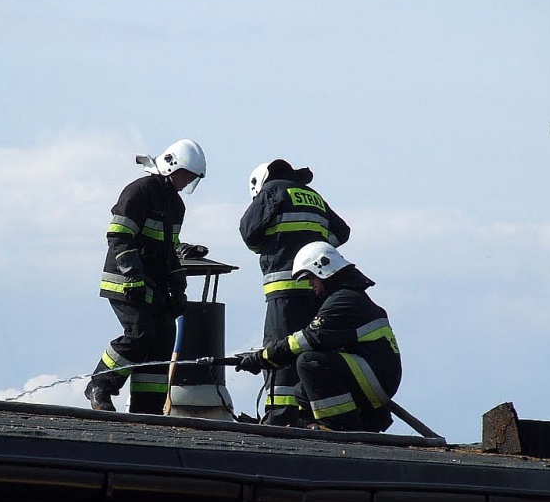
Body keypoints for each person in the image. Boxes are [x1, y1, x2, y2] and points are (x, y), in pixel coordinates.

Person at [85, 138, 206, 414]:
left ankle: (147, 411)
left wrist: (178, 288)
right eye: (185, 175)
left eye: (191, 178)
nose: (186, 182)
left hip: (153, 285)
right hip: (125, 281)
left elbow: (169, 252)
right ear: (171, 165)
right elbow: (118, 236)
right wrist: (132, 276)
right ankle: (100, 386)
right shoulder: (138, 192)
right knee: (140, 334)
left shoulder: (176, 206)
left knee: (163, 339)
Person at [235, 242, 402, 432]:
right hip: (373, 378)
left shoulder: (345, 300)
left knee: (310, 362)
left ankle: (336, 426)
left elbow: (309, 339)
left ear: (323, 270)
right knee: (302, 391)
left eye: (311, 278)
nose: (310, 284)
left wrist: (265, 357)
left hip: (375, 379)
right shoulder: (349, 297)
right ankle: (325, 424)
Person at [239, 159, 350, 426]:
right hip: (318, 289)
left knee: (279, 350)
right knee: (306, 348)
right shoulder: (313, 196)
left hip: (284, 288)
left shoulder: (272, 191)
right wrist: (316, 245)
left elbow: (248, 231)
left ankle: (278, 417)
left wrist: (273, 246)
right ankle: (303, 413)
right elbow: (342, 232)